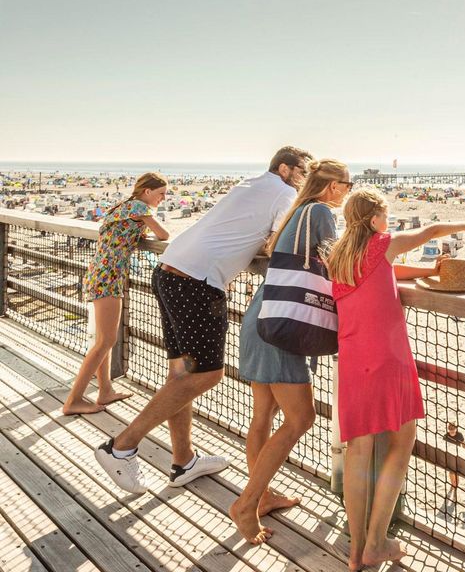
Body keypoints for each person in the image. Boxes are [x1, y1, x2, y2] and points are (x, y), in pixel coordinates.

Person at [95, 146, 311, 494]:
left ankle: (184, 461)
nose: (305, 181)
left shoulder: (250, 183)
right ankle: (121, 446)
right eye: (303, 173)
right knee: (208, 374)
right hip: (198, 281)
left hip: (170, 271)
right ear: (285, 169)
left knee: (182, 373)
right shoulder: (284, 193)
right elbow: (278, 242)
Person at [328, 187, 465, 568]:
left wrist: (429, 270)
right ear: (375, 218)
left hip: (351, 358)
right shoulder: (383, 242)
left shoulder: (340, 255)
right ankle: (377, 541)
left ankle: (356, 546)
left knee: (357, 453)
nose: (389, 221)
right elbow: (429, 232)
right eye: (386, 214)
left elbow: (387, 272)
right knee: (402, 441)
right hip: (387, 357)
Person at [229, 159, 352, 544]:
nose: (348, 190)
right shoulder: (319, 212)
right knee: (301, 419)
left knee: (263, 414)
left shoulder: (297, 209)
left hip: (264, 314)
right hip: (284, 323)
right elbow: (338, 262)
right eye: (347, 184)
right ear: (332, 187)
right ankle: (245, 504)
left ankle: (262, 497)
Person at [65, 173, 170, 415]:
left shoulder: (125, 207)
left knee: (104, 339)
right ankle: (74, 400)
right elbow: (164, 236)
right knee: (105, 341)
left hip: (101, 273)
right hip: (108, 276)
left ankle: (105, 391)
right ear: (147, 192)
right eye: (161, 193)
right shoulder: (139, 206)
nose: (163, 199)